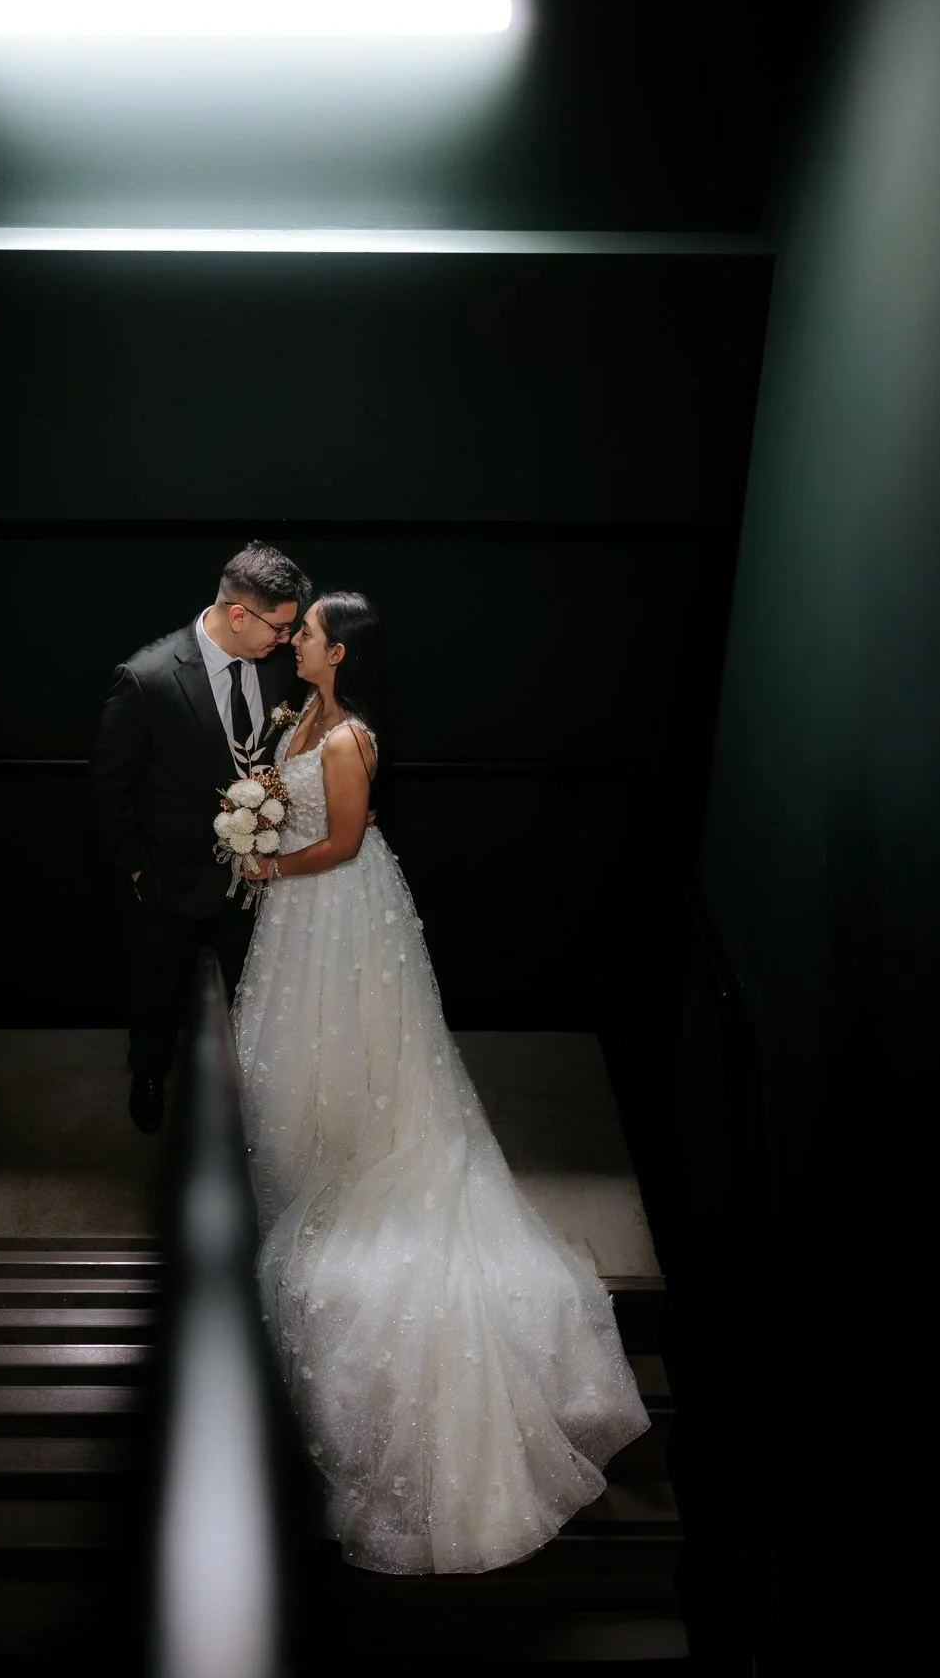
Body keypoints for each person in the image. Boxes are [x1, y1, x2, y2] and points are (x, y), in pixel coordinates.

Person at [233, 590, 652, 1575]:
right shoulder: (305, 715)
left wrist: (264, 866)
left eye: (307, 633)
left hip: (334, 904)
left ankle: (349, 1151)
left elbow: (337, 842)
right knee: (292, 1051)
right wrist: (260, 819)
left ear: (341, 651)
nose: (295, 638)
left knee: (358, 1051)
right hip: (310, 913)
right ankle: (313, 1139)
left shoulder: (345, 738)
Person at [91, 541, 309, 1133]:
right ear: (240, 615)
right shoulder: (147, 678)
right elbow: (113, 786)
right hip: (173, 876)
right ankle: (151, 1075)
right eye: (281, 627)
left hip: (264, 879)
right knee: (159, 988)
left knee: (254, 995)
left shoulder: (283, 668)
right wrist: (138, 868)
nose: (288, 640)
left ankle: (244, 1092)